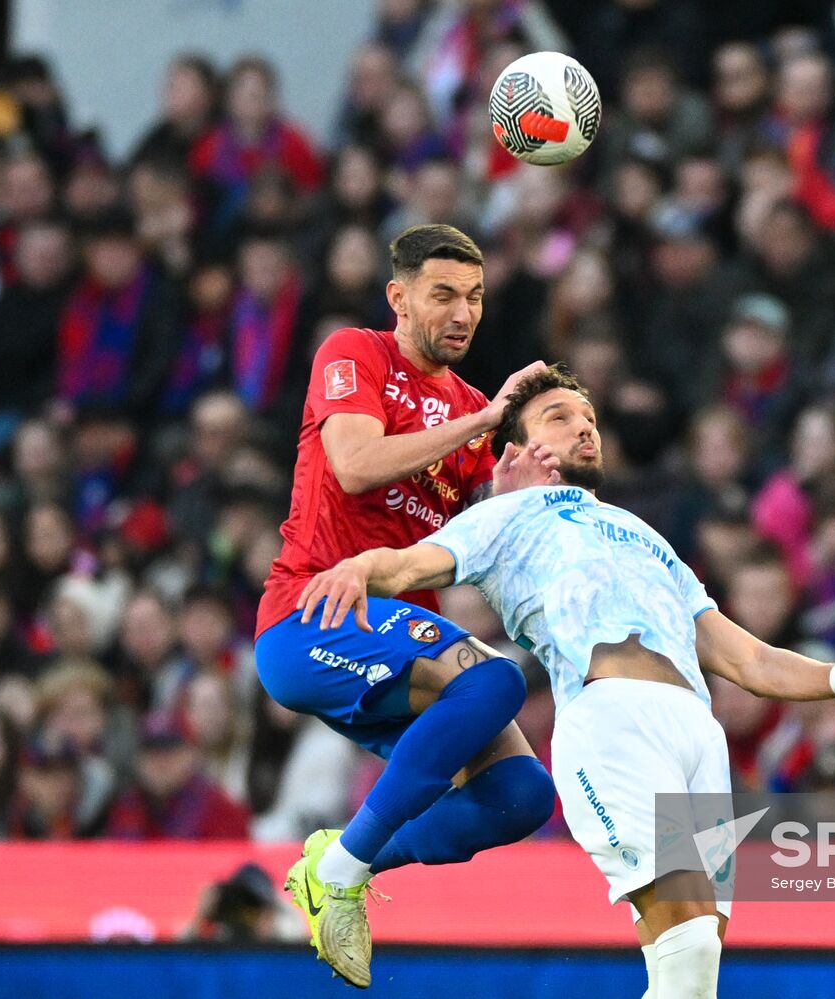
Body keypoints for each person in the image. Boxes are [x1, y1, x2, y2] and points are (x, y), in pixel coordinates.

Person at [295, 366, 835, 999]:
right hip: (615, 725)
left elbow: (745, 659)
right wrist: (359, 568)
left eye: (587, 416)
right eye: (559, 417)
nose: (584, 425)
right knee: (689, 945)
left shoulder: (643, 533)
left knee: (691, 975)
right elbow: (412, 563)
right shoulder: (506, 518)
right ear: (517, 451)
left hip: (700, 736)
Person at [253, 223, 556, 988]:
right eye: (444, 294)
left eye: (476, 298)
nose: (463, 313)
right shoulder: (355, 354)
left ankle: (339, 859)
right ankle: (347, 872)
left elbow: (483, 541)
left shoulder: (469, 412)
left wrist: (522, 493)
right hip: (310, 616)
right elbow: (353, 466)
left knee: (522, 795)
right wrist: (484, 423)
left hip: (393, 642)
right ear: (400, 297)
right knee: (494, 680)